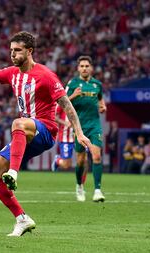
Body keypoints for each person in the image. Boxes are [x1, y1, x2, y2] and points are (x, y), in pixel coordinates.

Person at [0, 31, 92, 236]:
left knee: (18, 123)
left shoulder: (46, 75)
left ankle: (13, 172)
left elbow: (66, 105)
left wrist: (79, 133)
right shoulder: (13, 73)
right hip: (25, 134)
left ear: (29, 51)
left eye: (17, 50)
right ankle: (22, 218)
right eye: (11, 50)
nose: (13, 54)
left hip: (45, 131)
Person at [67, 55, 106, 202]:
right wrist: (74, 95)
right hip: (79, 127)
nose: (84, 68)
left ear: (91, 68)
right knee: (81, 161)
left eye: (86, 66)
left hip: (94, 126)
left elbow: (100, 98)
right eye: (81, 66)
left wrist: (103, 106)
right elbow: (61, 102)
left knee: (96, 156)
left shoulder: (97, 84)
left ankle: (97, 190)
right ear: (78, 68)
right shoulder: (73, 84)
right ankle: (79, 186)